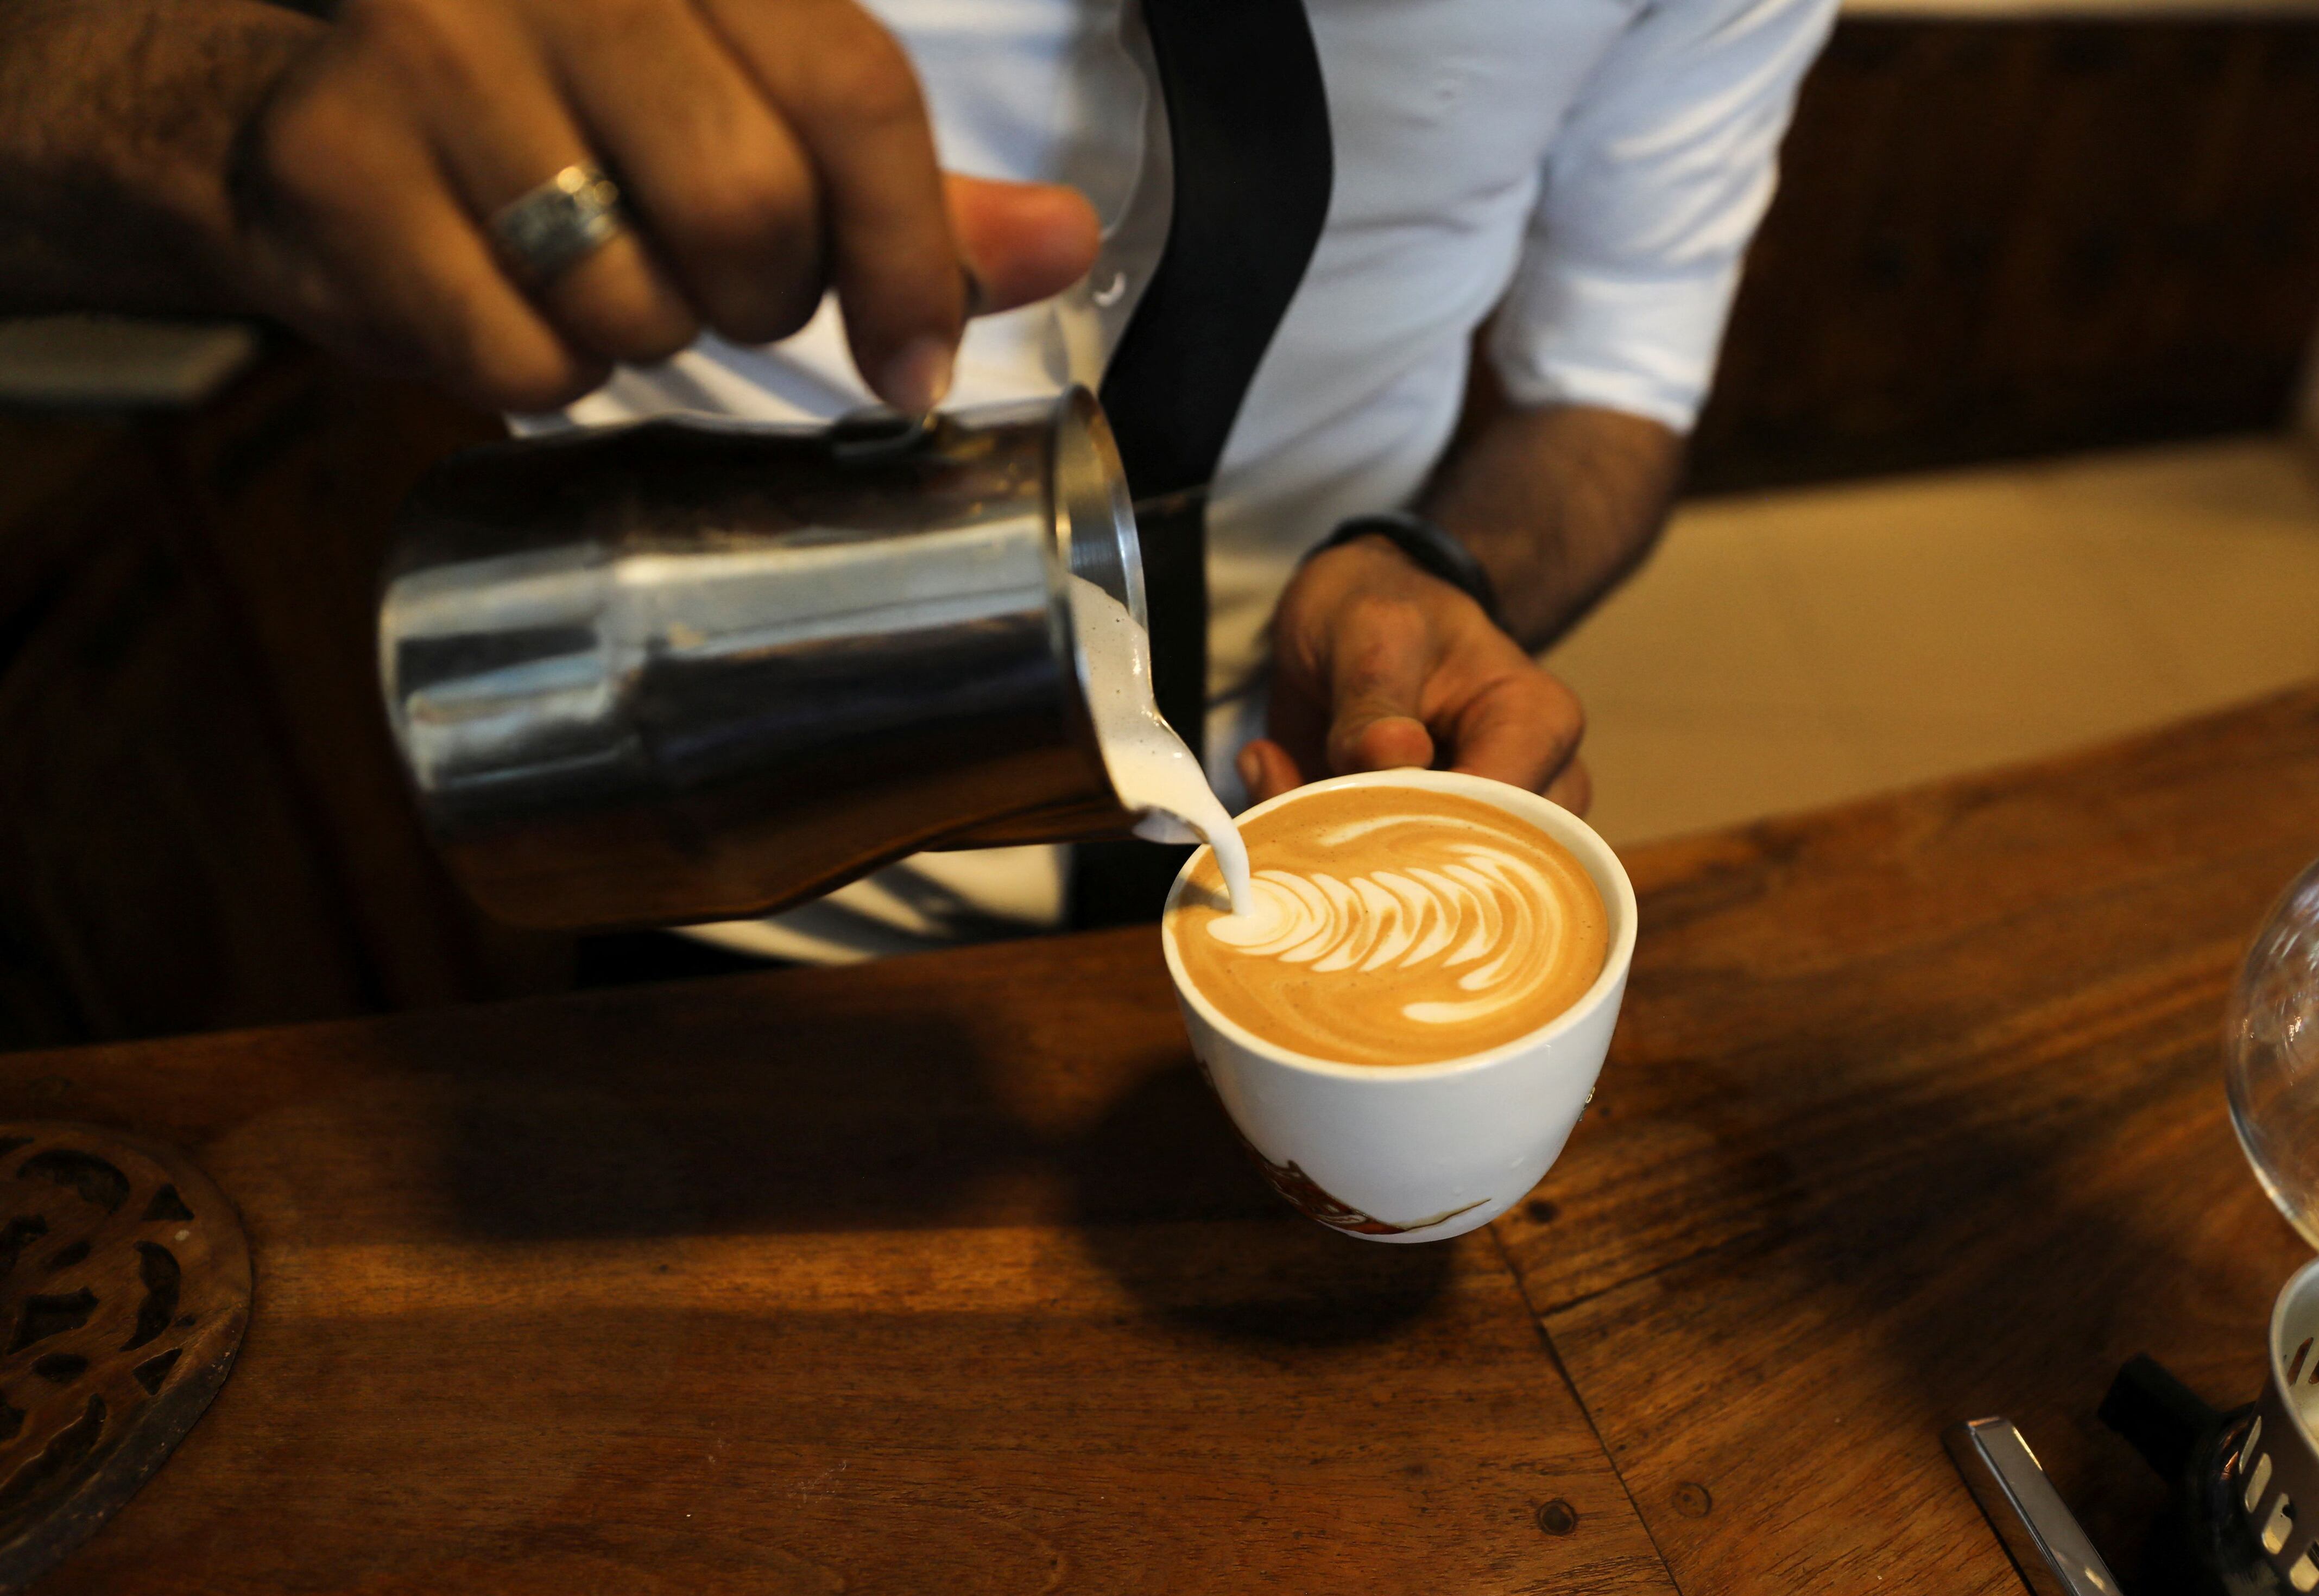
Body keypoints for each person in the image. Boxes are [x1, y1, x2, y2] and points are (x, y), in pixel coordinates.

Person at [1, 0, 1836, 957]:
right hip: (733, 851)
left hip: (1302, 824)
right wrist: (235, 125)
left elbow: (1613, 395)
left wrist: (1440, 560)